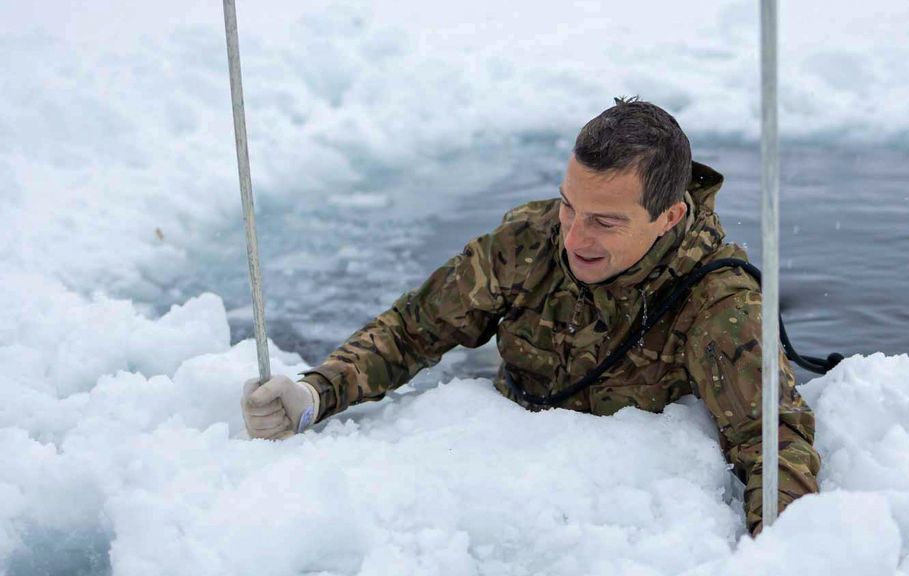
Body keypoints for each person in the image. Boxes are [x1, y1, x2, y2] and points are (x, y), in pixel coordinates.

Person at [241, 97, 821, 535]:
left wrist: (781, 549)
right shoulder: (530, 240)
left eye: (605, 221)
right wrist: (317, 392)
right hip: (504, 484)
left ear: (669, 217)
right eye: (570, 205)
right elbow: (413, 330)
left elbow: (772, 441)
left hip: (621, 523)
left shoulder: (720, 307)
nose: (575, 236)